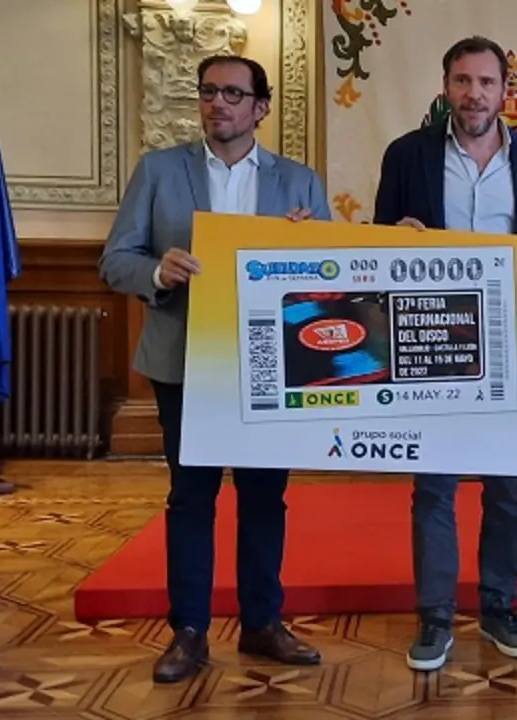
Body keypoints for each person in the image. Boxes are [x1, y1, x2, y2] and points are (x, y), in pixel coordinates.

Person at [99, 55, 330, 684]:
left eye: (232, 93)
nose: (217, 103)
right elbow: (116, 260)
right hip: (186, 362)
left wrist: (309, 247)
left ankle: (263, 623)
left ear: (260, 107)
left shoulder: (299, 182)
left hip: (270, 366)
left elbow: (333, 278)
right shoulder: (159, 170)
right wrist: (157, 271)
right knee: (191, 498)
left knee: (264, 497)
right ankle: (190, 631)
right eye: (208, 91)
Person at [371, 35, 517, 672]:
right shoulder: (406, 155)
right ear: (445, 87)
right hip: (430, 341)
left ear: (505, 91)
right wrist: (394, 238)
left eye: (486, 82)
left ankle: (498, 607)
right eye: (462, 81)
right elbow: (375, 249)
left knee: (506, 489)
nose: (474, 94)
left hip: (511, 342)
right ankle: (435, 617)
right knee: (435, 488)